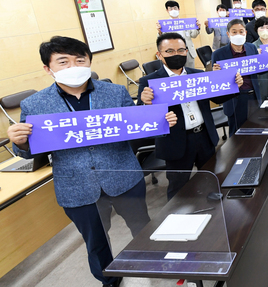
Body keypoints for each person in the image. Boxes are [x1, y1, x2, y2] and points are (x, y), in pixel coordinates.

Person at [7, 36, 177, 287]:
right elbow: (35, 152)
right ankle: (108, 280)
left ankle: (153, 263)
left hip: (123, 177)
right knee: (96, 241)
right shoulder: (34, 104)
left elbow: (135, 131)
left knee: (141, 225)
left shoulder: (115, 92)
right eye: (63, 61)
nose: (73, 67)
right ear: (48, 68)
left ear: (89, 61)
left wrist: (158, 121)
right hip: (76, 186)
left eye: (80, 60)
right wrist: (20, 142)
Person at [138, 32, 243, 200]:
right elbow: (143, 117)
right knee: (178, 188)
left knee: (211, 179)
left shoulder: (198, 74)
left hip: (204, 137)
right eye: (170, 51)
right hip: (175, 142)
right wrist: (146, 103)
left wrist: (233, 86)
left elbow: (216, 98)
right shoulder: (149, 82)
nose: (176, 55)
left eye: (181, 50)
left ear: (187, 51)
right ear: (159, 54)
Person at [210, 19, 268, 133]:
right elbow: (217, 82)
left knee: (257, 131)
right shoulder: (218, 54)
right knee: (236, 135)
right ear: (228, 34)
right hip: (234, 99)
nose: (238, 34)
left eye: (241, 31)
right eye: (234, 32)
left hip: (253, 96)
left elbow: (258, 70)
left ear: (245, 33)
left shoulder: (251, 48)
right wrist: (215, 73)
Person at [157, 0, 200, 68]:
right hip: (174, 52)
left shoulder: (185, 22)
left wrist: (197, 28)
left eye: (175, 8)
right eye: (171, 9)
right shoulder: (165, 24)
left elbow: (193, 35)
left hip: (188, 51)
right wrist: (160, 32)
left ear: (179, 9)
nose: (173, 10)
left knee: (190, 71)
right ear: (167, 11)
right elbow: (161, 39)